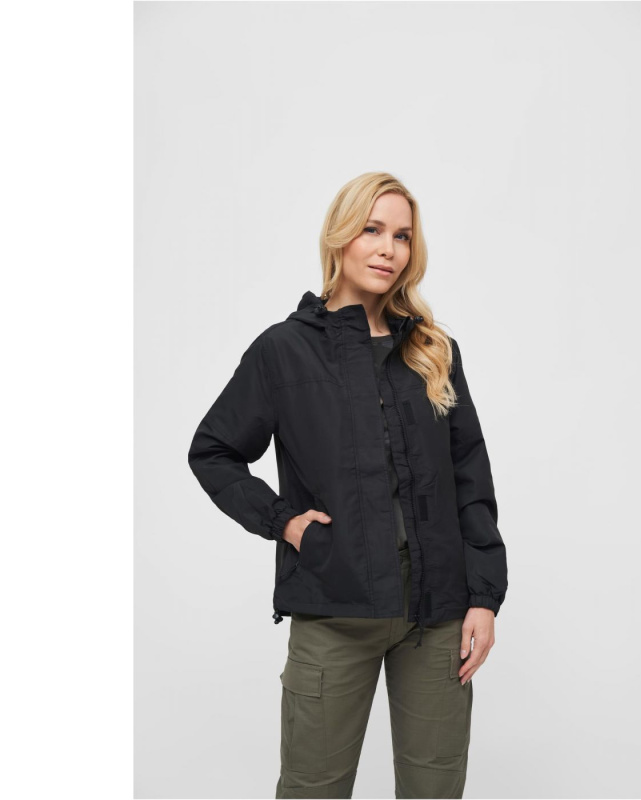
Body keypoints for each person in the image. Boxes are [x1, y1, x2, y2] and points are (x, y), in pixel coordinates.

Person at [188, 172, 508, 799]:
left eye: (402, 236)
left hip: (437, 614)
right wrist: (284, 521)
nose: (389, 249)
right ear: (340, 237)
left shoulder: (433, 350)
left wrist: (483, 598)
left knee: (435, 790)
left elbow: (471, 478)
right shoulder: (283, 351)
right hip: (334, 607)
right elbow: (213, 451)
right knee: (312, 788)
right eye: (372, 230)